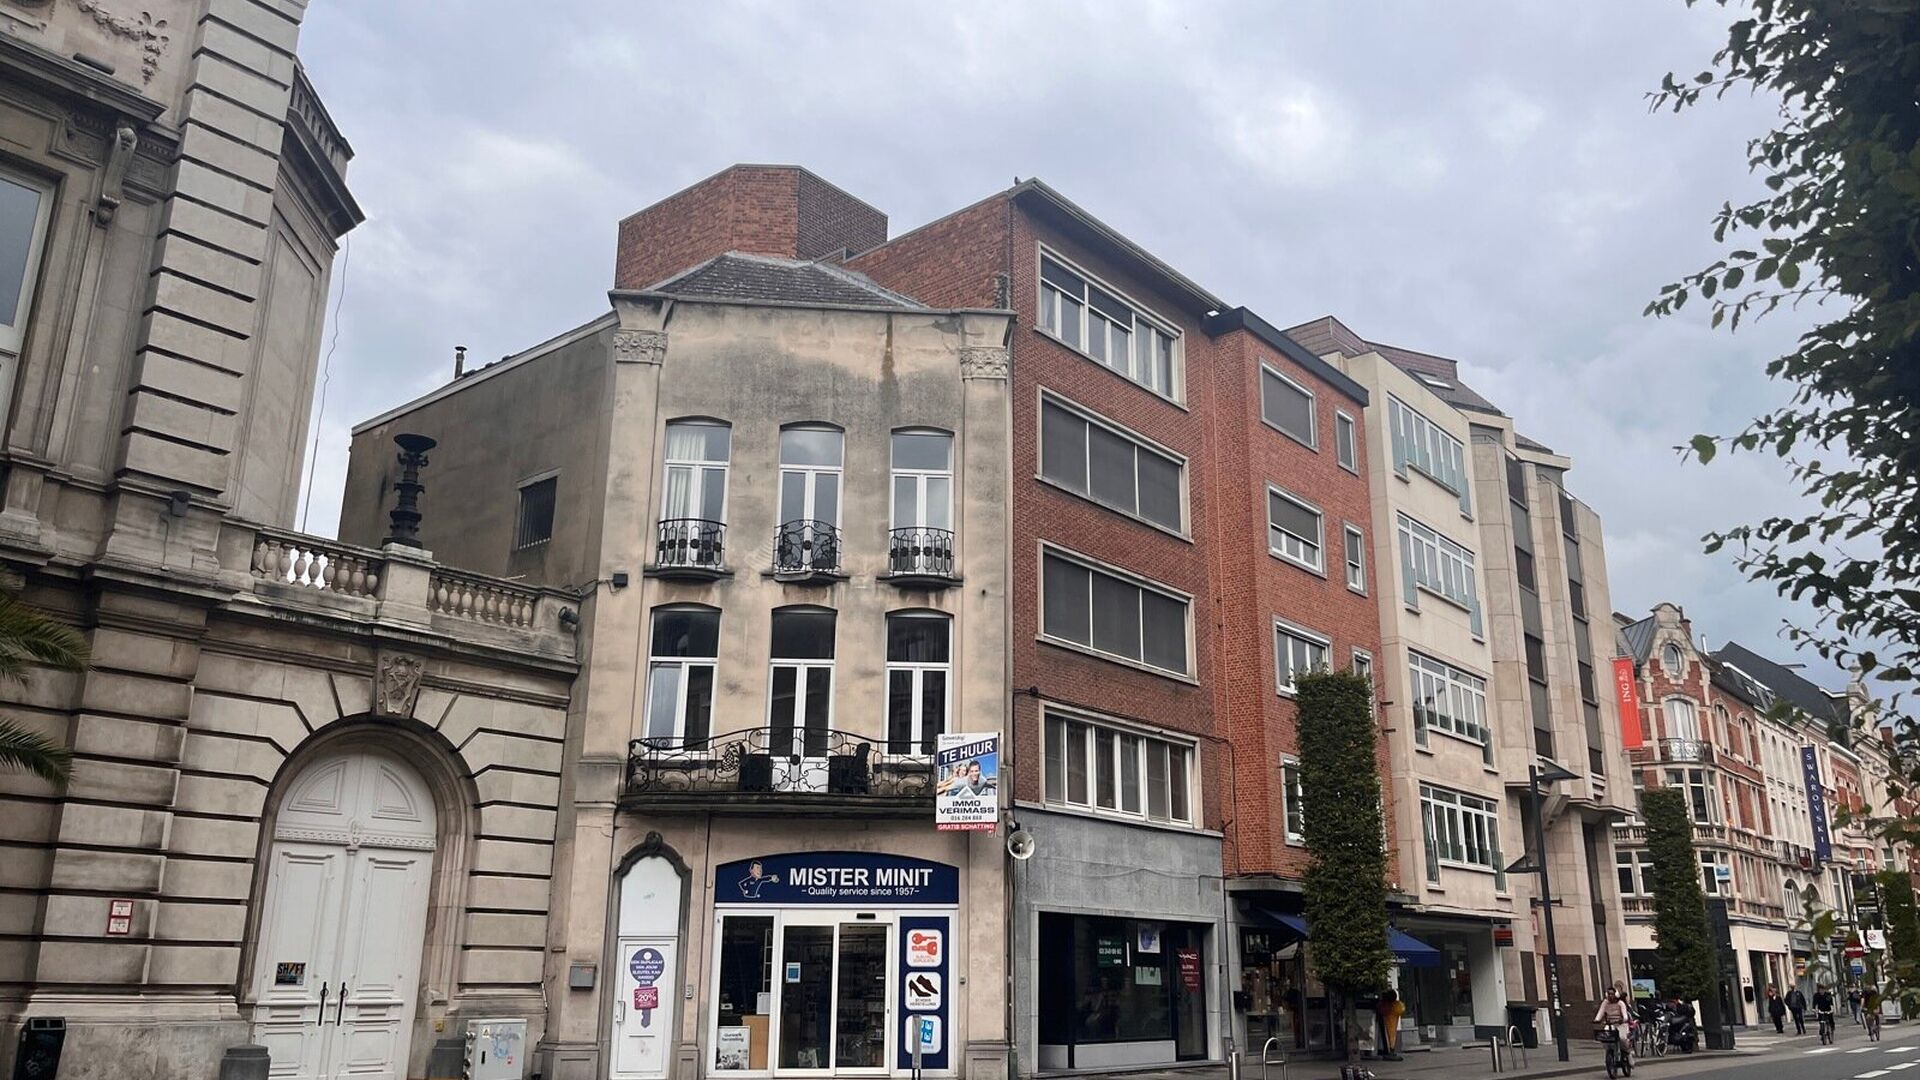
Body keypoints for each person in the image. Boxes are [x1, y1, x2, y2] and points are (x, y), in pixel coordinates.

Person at [1596, 987, 1633, 1067]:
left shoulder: (1620, 1003)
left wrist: (1623, 1019)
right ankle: (1609, 1052)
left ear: (1616, 994)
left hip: (1621, 1024)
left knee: (1622, 1038)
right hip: (1610, 1024)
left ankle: (1628, 1054)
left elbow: (1625, 1015)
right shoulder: (1605, 1002)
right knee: (1605, 1037)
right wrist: (1597, 1020)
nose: (1610, 996)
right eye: (1609, 994)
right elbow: (1600, 1012)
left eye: (1612, 994)